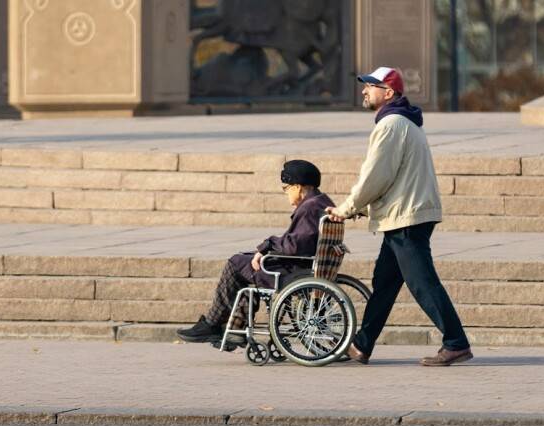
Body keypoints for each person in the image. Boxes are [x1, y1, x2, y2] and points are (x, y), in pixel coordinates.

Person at [325, 66, 473, 367]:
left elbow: (376, 176)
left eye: (371, 86)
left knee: (422, 282)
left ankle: (456, 343)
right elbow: (394, 177)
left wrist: (348, 207)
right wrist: (363, 207)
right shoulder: (403, 121)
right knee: (385, 282)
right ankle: (361, 346)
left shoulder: (391, 124)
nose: (364, 90)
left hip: (407, 217)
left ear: (388, 92)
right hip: (404, 214)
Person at [178, 159, 335, 349]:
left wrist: (267, 246)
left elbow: (294, 245)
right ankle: (235, 327)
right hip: (302, 266)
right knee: (244, 264)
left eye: (286, 188)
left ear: (298, 187)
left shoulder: (310, 207)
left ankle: (214, 324)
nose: (285, 193)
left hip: (294, 271)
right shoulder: (321, 201)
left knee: (236, 264)